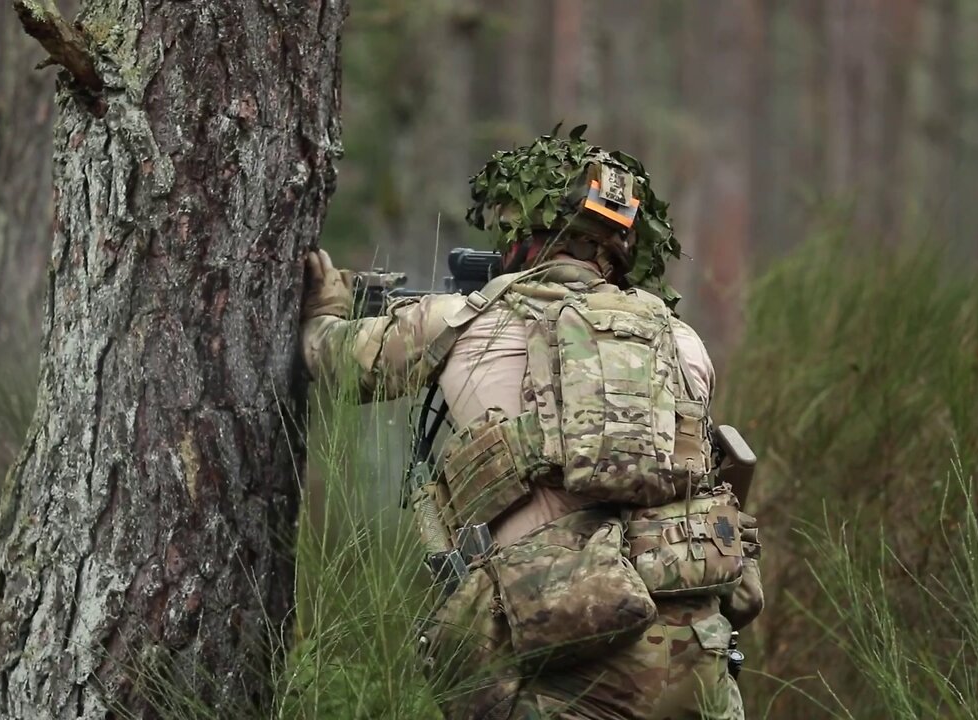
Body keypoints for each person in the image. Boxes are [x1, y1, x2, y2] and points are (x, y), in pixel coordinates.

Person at [300, 130, 762, 720]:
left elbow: (331, 360)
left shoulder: (467, 319)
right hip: (698, 652)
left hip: (559, 649)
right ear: (617, 246)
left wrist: (328, 305)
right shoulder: (683, 342)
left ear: (525, 233)